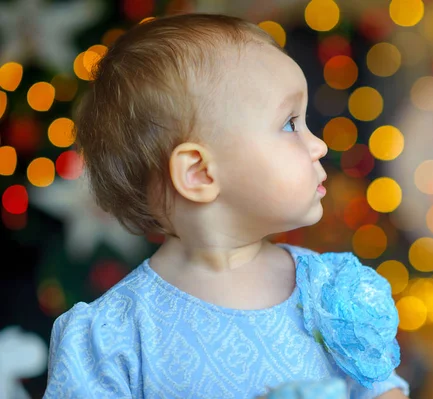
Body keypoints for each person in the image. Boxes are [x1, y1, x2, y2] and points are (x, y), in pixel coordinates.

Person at [42, 12, 410, 399]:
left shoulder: (328, 292)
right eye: (290, 124)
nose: (319, 145)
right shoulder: (115, 337)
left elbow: (383, 389)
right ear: (200, 173)